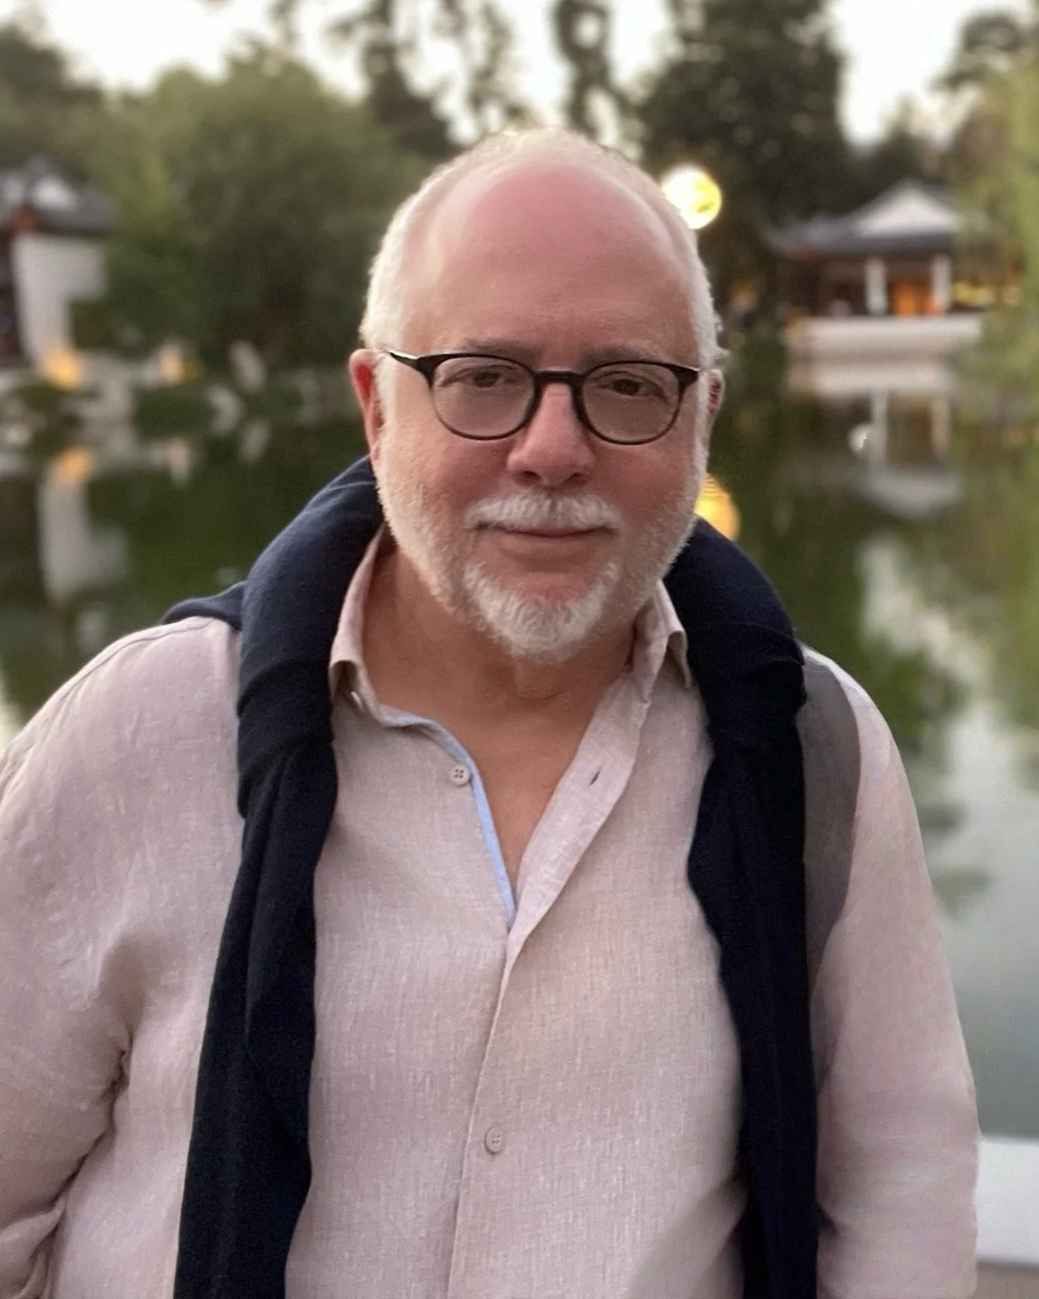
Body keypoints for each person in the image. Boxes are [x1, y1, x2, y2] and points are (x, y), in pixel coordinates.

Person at [0, 129, 977, 1299]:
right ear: (376, 406)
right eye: (483, 377)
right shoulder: (139, 737)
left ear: (703, 415)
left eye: (628, 384)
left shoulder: (810, 752)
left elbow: (897, 1190)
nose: (551, 450)